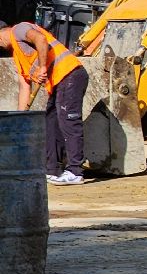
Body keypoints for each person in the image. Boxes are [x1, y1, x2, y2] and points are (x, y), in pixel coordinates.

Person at [0, 21, 90, 185]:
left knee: (69, 123)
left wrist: (42, 67)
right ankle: (52, 170)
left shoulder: (19, 30)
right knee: (51, 122)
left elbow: (41, 39)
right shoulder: (17, 53)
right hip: (59, 83)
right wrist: (20, 119)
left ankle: (75, 171)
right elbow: (24, 86)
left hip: (70, 75)